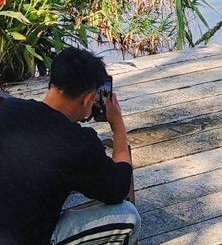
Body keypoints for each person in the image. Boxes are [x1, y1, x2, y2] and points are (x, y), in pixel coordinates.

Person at [0, 46, 140, 245]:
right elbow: (118, 190)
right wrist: (118, 126)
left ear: (52, 82)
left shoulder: (8, 108)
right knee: (128, 216)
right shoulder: (80, 143)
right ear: (88, 99)